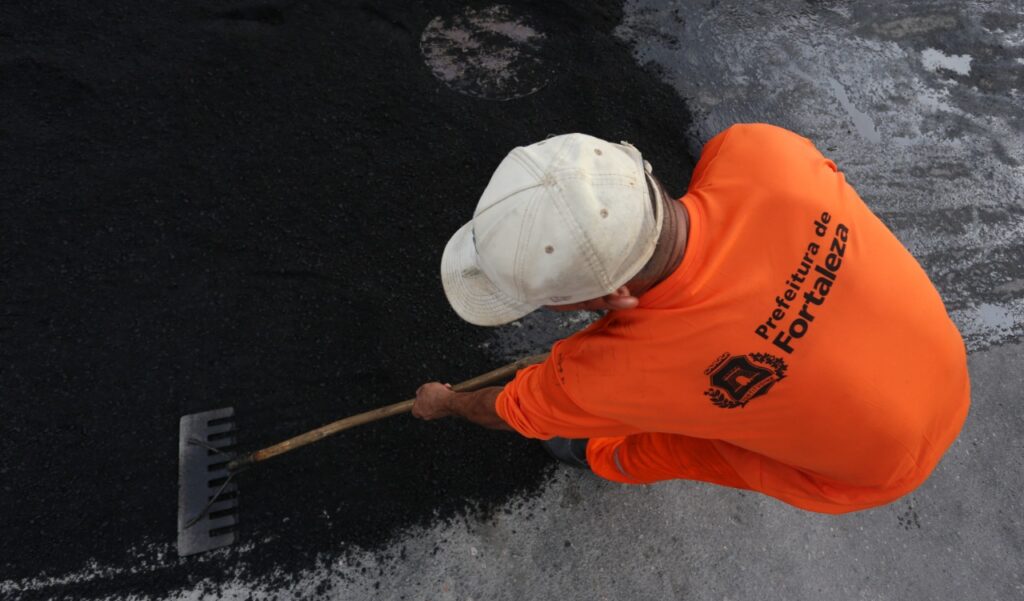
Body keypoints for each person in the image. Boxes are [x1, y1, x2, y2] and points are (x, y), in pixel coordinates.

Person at [412, 125, 970, 514]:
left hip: (874, 472)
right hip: (945, 361)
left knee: (658, 445)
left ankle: (596, 454)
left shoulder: (601, 374)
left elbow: (509, 411)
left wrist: (447, 403)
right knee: (704, 390)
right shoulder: (756, 150)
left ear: (607, 296)